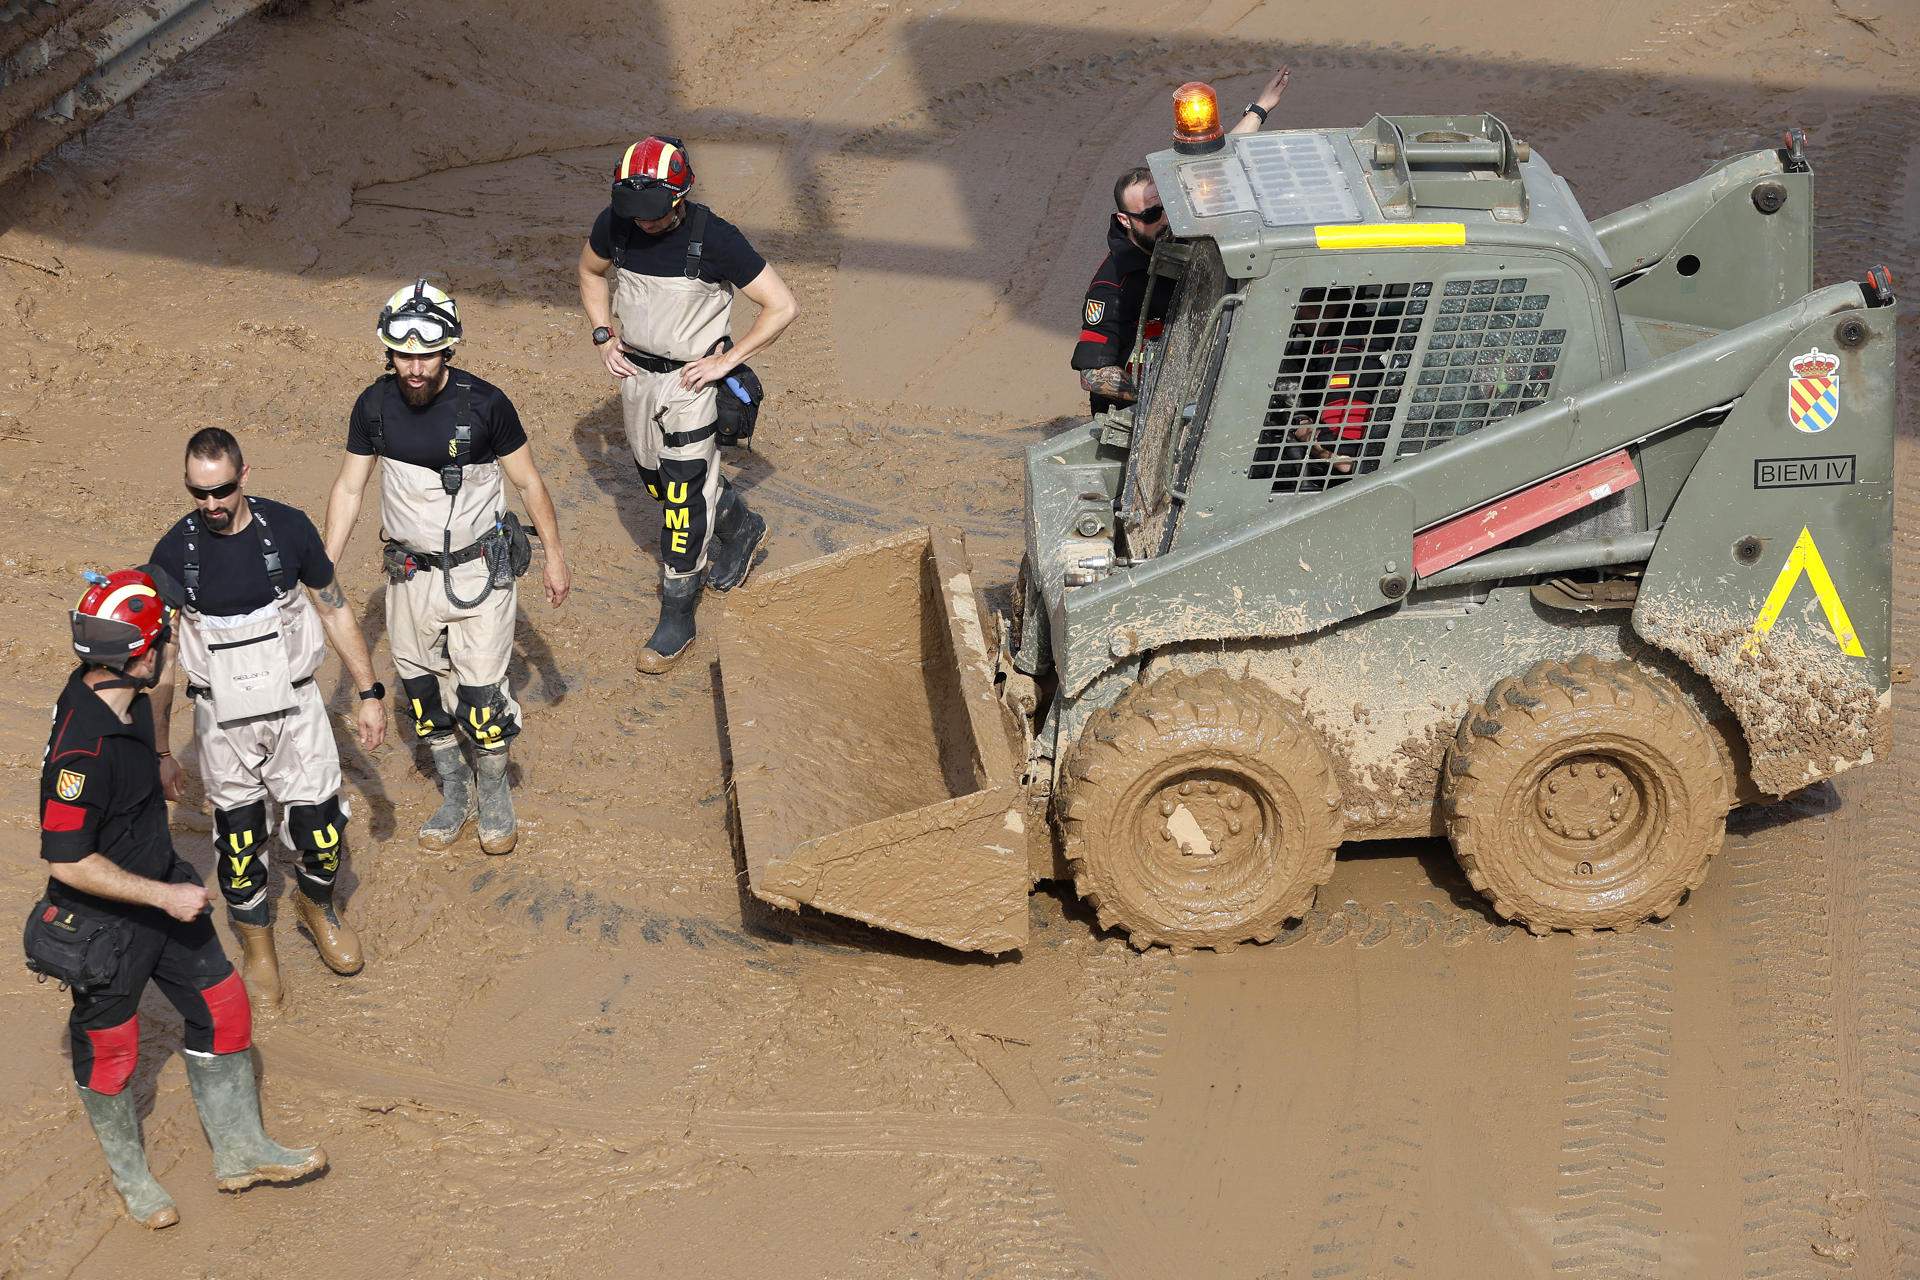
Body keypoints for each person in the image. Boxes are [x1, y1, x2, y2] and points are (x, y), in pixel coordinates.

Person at [33, 568, 325, 1230]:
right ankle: (132, 1179)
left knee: (224, 1008)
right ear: (136, 655)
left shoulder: (124, 694)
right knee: (111, 1050)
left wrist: (162, 753)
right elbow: (67, 861)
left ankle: (242, 1152)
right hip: (106, 920)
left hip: (160, 884)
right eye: (163, 642)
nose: (170, 650)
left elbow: (156, 690)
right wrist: (162, 897)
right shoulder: (79, 754)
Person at [325, 280, 571, 856]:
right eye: (404, 354)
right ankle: (454, 792)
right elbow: (349, 487)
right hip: (409, 578)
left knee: (483, 701)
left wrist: (555, 556)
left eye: (426, 354)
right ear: (388, 351)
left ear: (449, 350)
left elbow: (529, 481)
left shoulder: (486, 405)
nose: (414, 367)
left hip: (480, 576)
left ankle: (493, 792)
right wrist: (324, 564)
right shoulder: (373, 405)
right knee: (423, 698)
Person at [147, 428, 386, 1005]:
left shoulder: (289, 529)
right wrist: (158, 751)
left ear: (244, 476)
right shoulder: (175, 554)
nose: (210, 504)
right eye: (198, 492)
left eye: (222, 490)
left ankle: (318, 906)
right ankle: (258, 946)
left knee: (322, 830)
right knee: (239, 841)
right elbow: (165, 659)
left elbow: (333, 609)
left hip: (297, 709)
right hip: (221, 723)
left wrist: (369, 691)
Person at [576, 134, 799, 673]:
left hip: (690, 385)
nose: (644, 222)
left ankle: (679, 610)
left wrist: (727, 361)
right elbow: (588, 272)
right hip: (636, 379)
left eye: (654, 213)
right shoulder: (616, 223)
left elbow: (781, 305)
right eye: (636, 212)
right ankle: (740, 526)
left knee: (680, 499)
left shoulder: (716, 238)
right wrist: (604, 334)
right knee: (658, 482)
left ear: (681, 196)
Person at [1072, 69, 1292, 413]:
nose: (1162, 221)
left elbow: (1217, 163)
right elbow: (1093, 374)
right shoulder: (1112, 282)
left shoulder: (1179, 224)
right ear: (1125, 221)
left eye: (1164, 208)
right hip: (1139, 408)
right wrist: (1165, 393)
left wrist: (1261, 107)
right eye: (1148, 216)